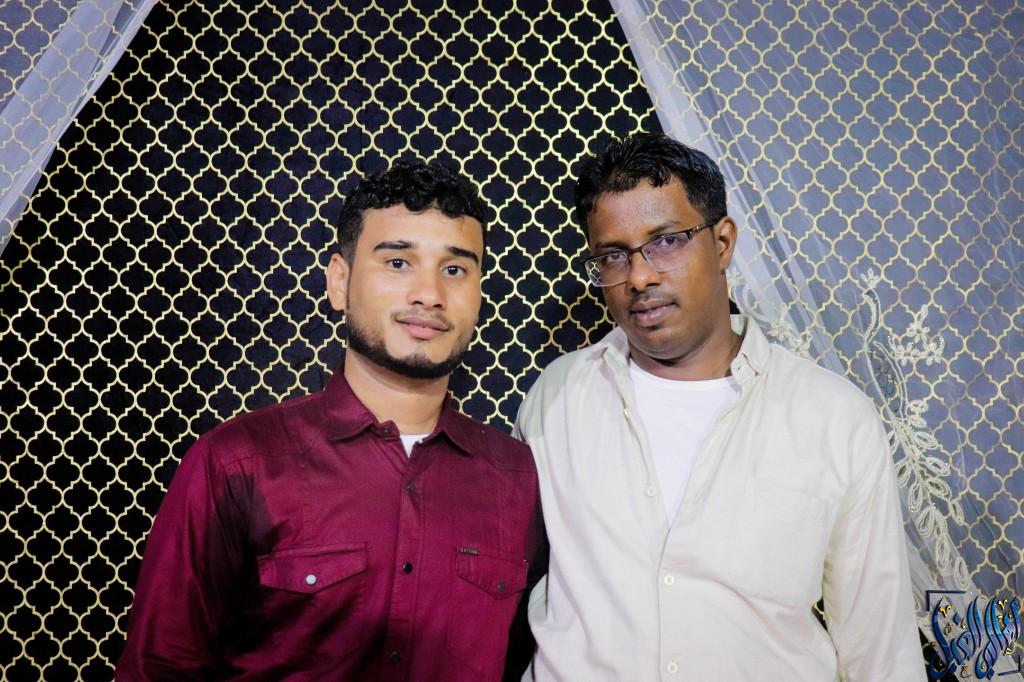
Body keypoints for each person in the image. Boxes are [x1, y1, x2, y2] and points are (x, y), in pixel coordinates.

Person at [515, 133, 925, 680]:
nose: (639, 276)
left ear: (724, 242)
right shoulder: (558, 396)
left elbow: (880, 649)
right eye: (613, 256)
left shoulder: (834, 418)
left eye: (667, 241)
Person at [117, 159, 543, 681]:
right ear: (339, 281)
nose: (430, 295)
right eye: (398, 263)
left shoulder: (521, 480)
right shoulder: (237, 463)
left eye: (455, 270)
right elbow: (160, 667)